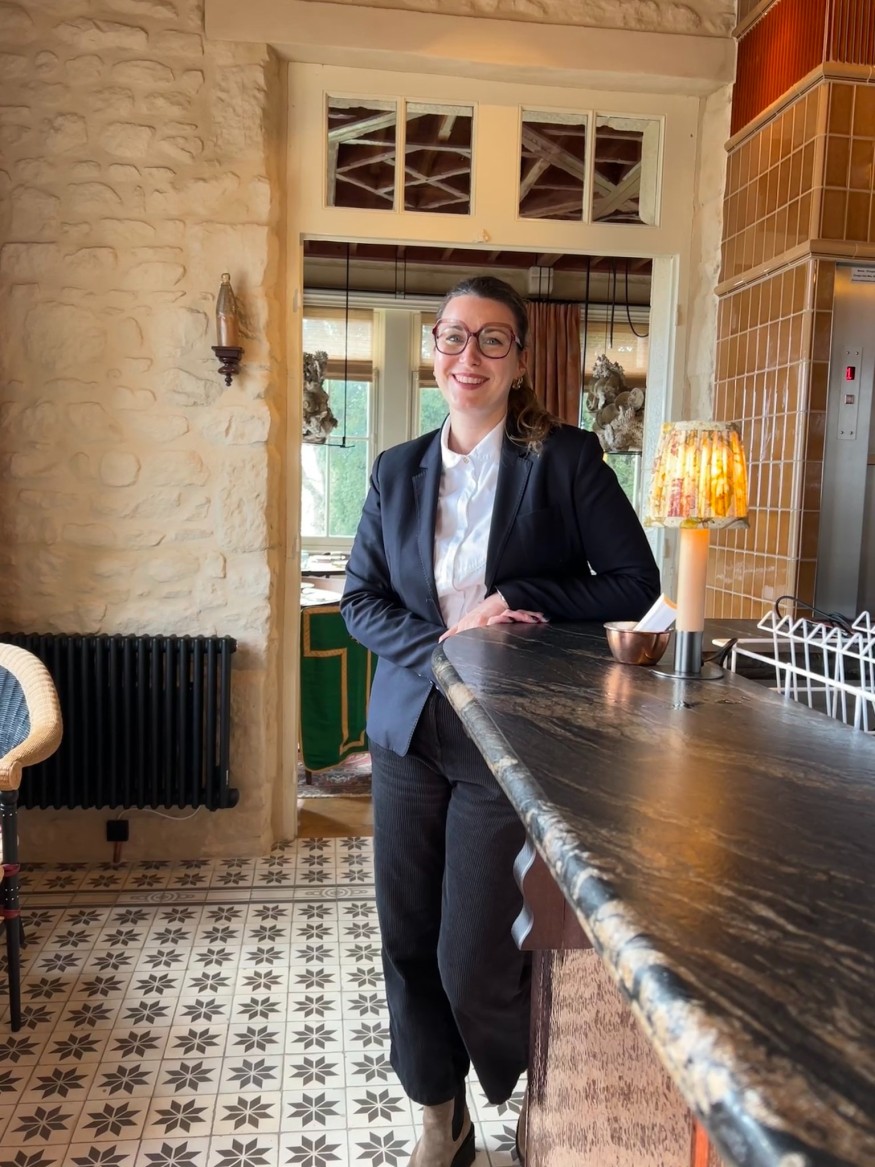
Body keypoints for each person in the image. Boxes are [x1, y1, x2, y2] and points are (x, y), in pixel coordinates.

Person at [341, 275, 660, 1167]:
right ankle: (438, 1119)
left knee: (473, 958)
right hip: (409, 731)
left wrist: (518, 593)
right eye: (453, 335)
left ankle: (538, 1086)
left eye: (491, 339)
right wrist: (443, 643)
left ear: (519, 359)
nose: (468, 355)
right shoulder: (395, 469)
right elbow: (360, 600)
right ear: (433, 349)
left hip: (506, 739)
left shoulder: (565, 458)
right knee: (407, 940)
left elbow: (633, 582)